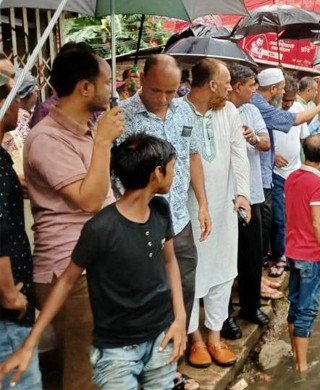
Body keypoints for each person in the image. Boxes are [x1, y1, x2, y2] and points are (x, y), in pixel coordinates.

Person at [1, 134, 188, 389]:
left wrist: (179, 319)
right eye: (173, 168)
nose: (175, 174)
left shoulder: (161, 210)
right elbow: (66, 282)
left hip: (162, 338)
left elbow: (169, 262)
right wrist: (30, 343)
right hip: (116, 351)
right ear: (157, 173)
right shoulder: (100, 228)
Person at [23, 45, 123, 390]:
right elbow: (90, 199)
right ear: (85, 88)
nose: (112, 90)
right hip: (68, 269)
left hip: (96, 263)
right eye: (107, 82)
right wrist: (104, 144)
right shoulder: (46, 139)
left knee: (99, 363)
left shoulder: (89, 129)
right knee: (83, 372)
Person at [120, 55, 210, 385]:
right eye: (156, 90)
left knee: (183, 287)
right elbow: (112, 172)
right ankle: (149, 367)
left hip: (180, 219)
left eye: (171, 91)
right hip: (140, 223)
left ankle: (173, 361)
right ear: (141, 78)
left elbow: (193, 156)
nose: (163, 99)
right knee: (146, 294)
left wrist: (202, 203)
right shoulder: (123, 116)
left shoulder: (184, 109)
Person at [182, 58, 251, 368]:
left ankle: (214, 336)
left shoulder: (230, 112)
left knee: (223, 271)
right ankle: (194, 339)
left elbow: (239, 153)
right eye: (225, 83)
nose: (228, 89)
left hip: (223, 207)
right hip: (189, 210)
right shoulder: (179, 112)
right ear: (210, 85)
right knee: (191, 275)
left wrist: (243, 194)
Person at [251, 68, 320, 276]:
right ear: (273, 89)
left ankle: (282, 255)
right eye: (281, 91)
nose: (284, 97)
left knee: (287, 217)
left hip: (292, 171)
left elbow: (303, 134)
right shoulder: (260, 106)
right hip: (271, 174)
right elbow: (294, 120)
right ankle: (276, 258)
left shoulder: (274, 105)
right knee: (274, 220)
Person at [0, 66, 42, 390]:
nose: (19, 107)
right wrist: (12, 297)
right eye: (12, 98)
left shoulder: (2, 161)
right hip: (8, 315)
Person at [227, 64, 278, 330]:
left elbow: (266, 143)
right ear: (237, 86)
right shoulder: (220, 111)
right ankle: (224, 317)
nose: (255, 90)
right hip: (226, 195)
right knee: (226, 256)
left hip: (253, 193)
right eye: (251, 85)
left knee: (251, 253)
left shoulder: (252, 110)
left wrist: (253, 138)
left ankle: (250, 307)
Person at [284, 134, 320, 372]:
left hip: (293, 251)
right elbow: (318, 223)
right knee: (306, 311)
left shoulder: (292, 178)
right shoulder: (317, 183)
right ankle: (303, 369)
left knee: (294, 306)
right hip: (310, 255)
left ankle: (296, 357)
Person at [270, 78, 311, 278]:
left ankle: (295, 250)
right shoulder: (270, 111)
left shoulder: (297, 109)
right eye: (285, 99)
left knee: (295, 215)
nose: (287, 104)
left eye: (290, 100)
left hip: (295, 171)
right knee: (278, 217)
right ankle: (280, 255)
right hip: (276, 173)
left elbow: (304, 138)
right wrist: (271, 156)